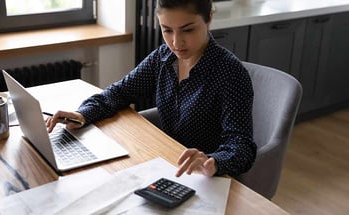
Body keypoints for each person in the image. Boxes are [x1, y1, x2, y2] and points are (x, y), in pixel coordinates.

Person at [46, 0, 256, 178]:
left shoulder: (230, 73)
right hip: (164, 162)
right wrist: (81, 114)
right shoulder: (163, 57)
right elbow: (119, 92)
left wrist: (213, 161)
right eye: (167, 30)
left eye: (188, 29)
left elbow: (241, 144)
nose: (176, 42)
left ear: (209, 18)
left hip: (205, 178)